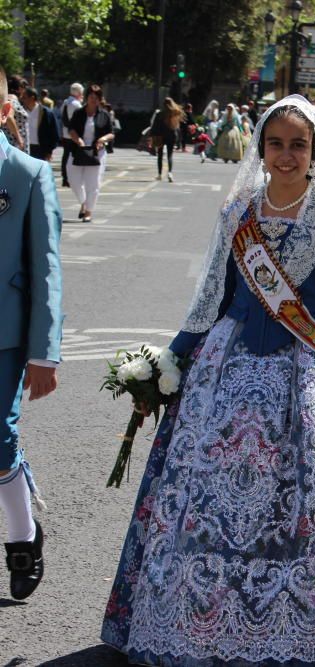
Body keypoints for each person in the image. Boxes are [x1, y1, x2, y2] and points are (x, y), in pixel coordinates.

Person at [100, 95, 315, 666]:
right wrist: (163, 367)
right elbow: (209, 303)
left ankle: (310, 623)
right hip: (227, 371)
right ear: (261, 149)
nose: (286, 155)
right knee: (209, 502)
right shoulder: (237, 213)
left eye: (298, 145)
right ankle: (208, 619)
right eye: (275, 144)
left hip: (309, 377)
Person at [0, 69, 62, 603]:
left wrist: (45, 353)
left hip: (5, 334)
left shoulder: (28, 174)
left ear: (5, 111)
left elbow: (47, 271)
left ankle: (22, 538)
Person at [67, 84, 115, 223]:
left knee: (93, 183)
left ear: (100, 99)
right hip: (78, 150)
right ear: (86, 97)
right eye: (91, 97)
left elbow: (111, 133)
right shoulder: (79, 113)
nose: (93, 100)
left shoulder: (104, 115)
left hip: (96, 153)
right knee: (73, 180)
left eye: (96, 98)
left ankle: (88, 210)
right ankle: (83, 202)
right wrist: (79, 140)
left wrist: (102, 139)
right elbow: (71, 130)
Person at [149, 97, 182, 182]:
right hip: (172, 136)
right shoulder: (175, 114)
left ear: (163, 104)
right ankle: (170, 173)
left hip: (160, 136)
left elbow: (154, 126)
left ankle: (159, 174)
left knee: (160, 155)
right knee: (170, 155)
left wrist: (151, 135)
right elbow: (177, 127)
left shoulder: (160, 114)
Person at [20, 87, 58, 161]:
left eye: (24, 97)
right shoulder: (21, 111)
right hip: (24, 148)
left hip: (40, 150)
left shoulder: (46, 113)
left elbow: (53, 133)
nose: (22, 100)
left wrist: (49, 152)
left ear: (32, 98)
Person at [58, 83, 84, 187]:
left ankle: (65, 178)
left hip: (65, 133)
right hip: (74, 134)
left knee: (65, 156)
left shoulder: (65, 102)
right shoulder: (76, 104)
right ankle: (72, 178)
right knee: (73, 157)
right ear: (78, 93)